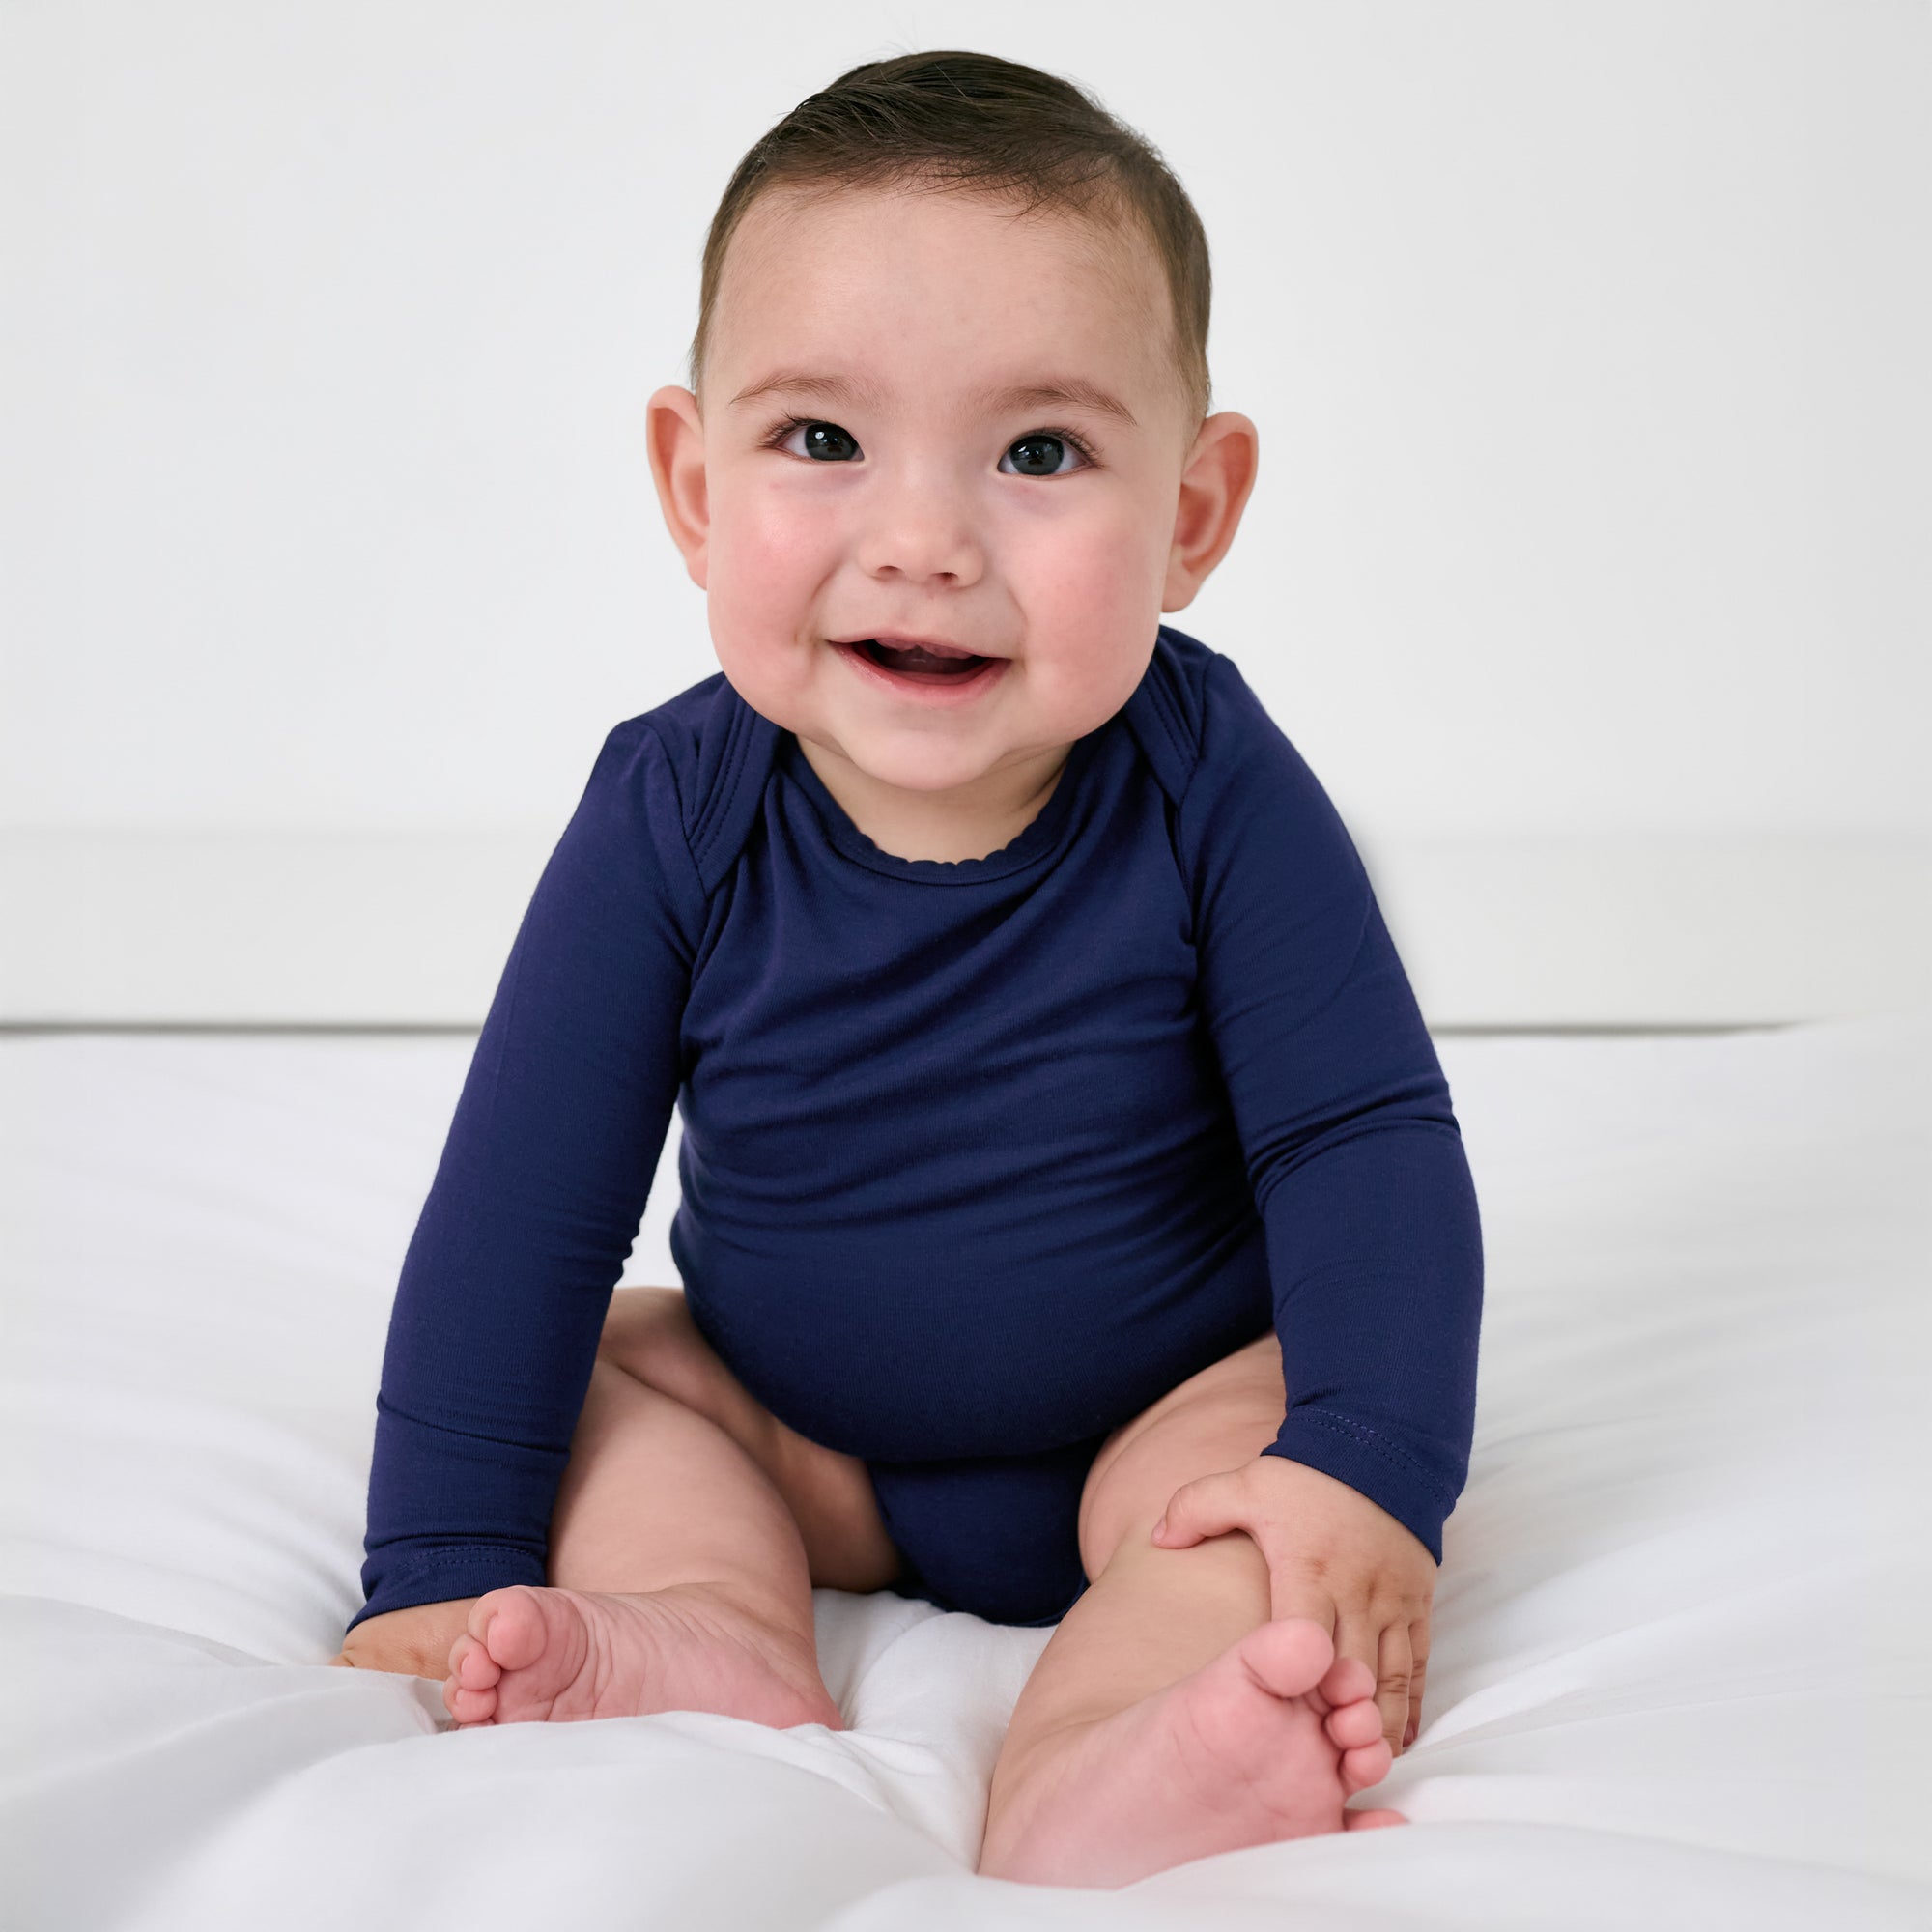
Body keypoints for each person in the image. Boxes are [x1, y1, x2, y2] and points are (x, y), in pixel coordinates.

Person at [327, 49, 1484, 1889]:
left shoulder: (1214, 787)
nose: (926, 542)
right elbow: (521, 1211)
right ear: (692, 486)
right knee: (620, 1368)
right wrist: (442, 1566)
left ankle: (1117, 1756)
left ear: (1191, 513)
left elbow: (1363, 1141)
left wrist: (1365, 1461)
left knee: (1261, 1467)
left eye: (1040, 453)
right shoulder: (671, 814)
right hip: (801, 1439)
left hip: (1152, 1422)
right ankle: (709, 1627)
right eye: (819, 441)